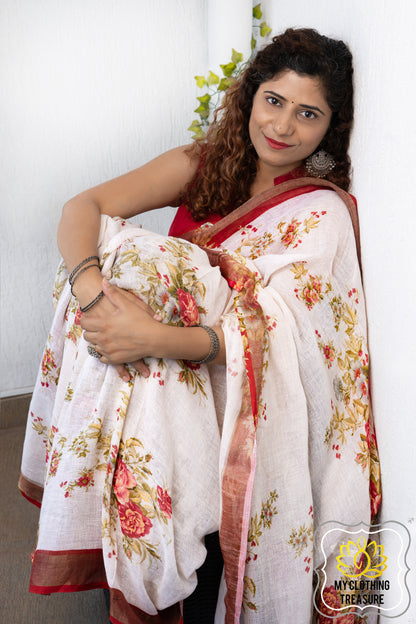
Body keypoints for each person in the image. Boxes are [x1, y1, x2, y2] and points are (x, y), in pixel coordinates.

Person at [19, 28, 381, 624]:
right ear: (249, 97)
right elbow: (81, 209)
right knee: (123, 257)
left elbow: (290, 333)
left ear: (330, 127)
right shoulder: (206, 161)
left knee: (153, 264)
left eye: (308, 113)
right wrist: (94, 298)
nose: (283, 127)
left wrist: (154, 337)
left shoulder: (318, 212)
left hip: (224, 388)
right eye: (273, 100)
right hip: (151, 368)